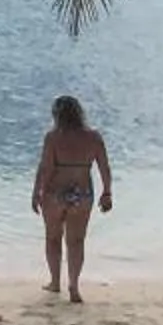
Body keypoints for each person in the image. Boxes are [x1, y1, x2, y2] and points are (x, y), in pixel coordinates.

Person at [33, 95, 112, 301]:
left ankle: (55, 282)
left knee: (53, 238)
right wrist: (107, 192)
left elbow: (46, 168)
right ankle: (74, 286)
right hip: (82, 194)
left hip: (56, 193)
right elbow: (104, 167)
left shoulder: (53, 138)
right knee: (76, 241)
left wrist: (37, 191)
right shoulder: (94, 137)